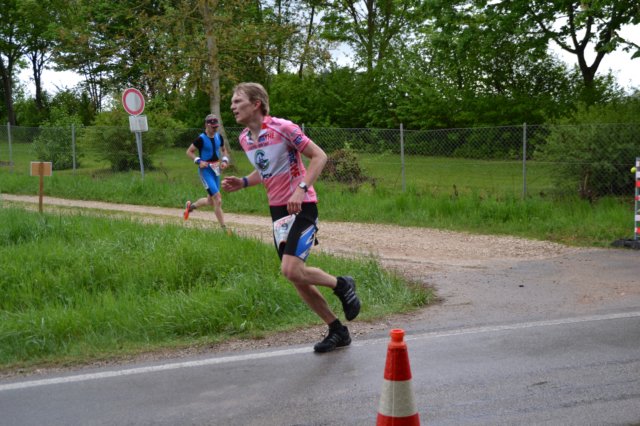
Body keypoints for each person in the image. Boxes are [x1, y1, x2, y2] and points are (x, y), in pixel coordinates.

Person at [222, 82, 361, 353]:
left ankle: (342, 284)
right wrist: (243, 181)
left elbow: (319, 156)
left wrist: (301, 189)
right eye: (232, 102)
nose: (232, 107)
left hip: (302, 206)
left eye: (238, 101)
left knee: (291, 270)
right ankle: (337, 330)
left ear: (256, 103)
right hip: (278, 212)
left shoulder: (283, 128)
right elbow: (266, 170)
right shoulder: (245, 138)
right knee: (296, 278)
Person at [184, 114, 231, 233]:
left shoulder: (219, 137)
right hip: (205, 171)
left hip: (216, 170)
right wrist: (198, 161)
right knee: (218, 198)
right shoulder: (200, 139)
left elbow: (224, 150)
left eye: (216, 127)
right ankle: (224, 229)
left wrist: (225, 161)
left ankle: (191, 207)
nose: (215, 129)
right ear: (206, 125)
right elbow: (189, 152)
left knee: (210, 201)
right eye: (213, 127)